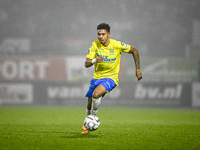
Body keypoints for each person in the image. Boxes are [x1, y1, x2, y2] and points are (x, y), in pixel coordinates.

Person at [81, 23, 142, 134]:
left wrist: (137, 69)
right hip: (96, 78)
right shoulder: (94, 45)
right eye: (98, 34)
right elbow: (86, 64)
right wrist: (95, 60)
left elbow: (135, 51)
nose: (100, 36)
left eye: (103, 34)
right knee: (89, 104)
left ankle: (92, 119)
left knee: (96, 94)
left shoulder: (117, 45)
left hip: (111, 78)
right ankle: (87, 124)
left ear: (108, 34)